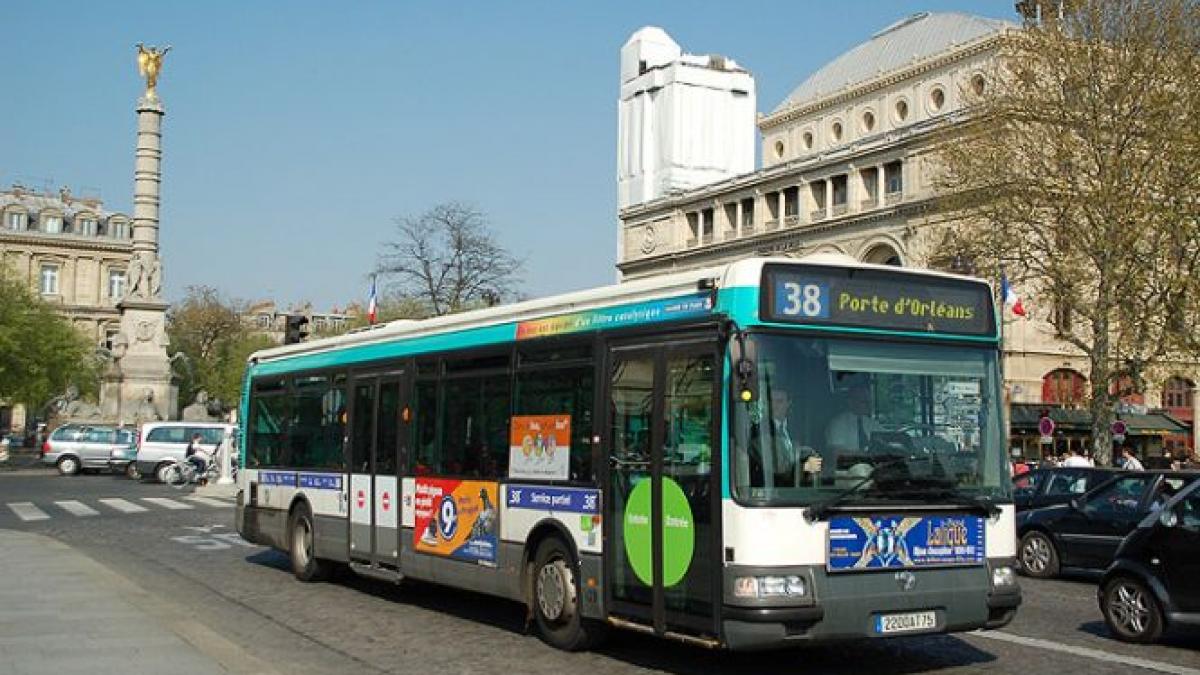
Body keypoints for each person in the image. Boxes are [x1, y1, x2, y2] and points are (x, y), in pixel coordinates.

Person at [825, 378, 883, 454]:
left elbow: (886, 443)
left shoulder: (873, 424)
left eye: (869, 401)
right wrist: (862, 455)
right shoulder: (838, 424)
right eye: (864, 402)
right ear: (851, 402)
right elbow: (836, 453)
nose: (868, 405)